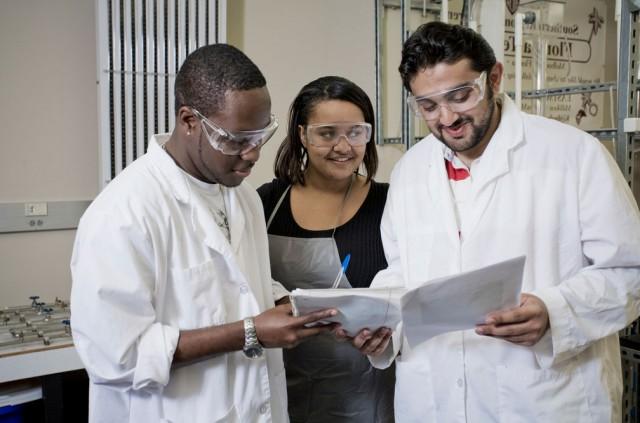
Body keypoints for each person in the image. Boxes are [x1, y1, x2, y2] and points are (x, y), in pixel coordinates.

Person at [348, 21, 640, 422]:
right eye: (428, 106)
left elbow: (629, 270)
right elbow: (402, 270)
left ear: (495, 77)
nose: (447, 118)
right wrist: (381, 325)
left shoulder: (573, 155)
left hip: (544, 399)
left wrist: (555, 311)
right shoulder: (410, 171)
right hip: (434, 399)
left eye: (461, 95)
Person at [70, 44, 338, 423]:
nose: (253, 154)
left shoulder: (242, 195)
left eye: (261, 136)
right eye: (236, 139)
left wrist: (286, 306)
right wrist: (250, 332)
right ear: (189, 121)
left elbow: (241, 285)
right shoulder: (123, 213)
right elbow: (117, 357)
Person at [257, 76, 395, 422]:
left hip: (365, 394)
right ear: (302, 134)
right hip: (281, 389)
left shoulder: (390, 204)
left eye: (356, 132)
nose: (344, 146)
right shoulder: (265, 203)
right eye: (327, 133)